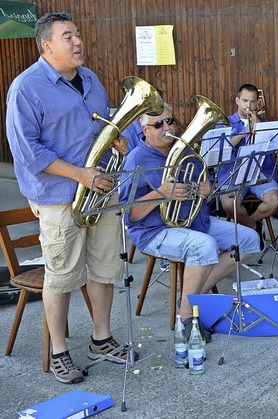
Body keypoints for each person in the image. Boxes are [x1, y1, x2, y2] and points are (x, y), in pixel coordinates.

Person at [6, 12, 131, 384]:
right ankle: (60, 351)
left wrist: (116, 140)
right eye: (67, 37)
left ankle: (101, 338)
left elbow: (99, 128)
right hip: (60, 197)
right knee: (60, 277)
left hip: (101, 191)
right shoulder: (25, 87)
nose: (77, 42)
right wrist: (81, 175)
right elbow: (28, 152)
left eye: (77, 34)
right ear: (47, 45)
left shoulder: (90, 78)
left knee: (106, 266)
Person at [119, 104, 261, 330]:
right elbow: (130, 214)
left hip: (194, 221)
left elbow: (202, 186)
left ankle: (193, 295)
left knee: (249, 239)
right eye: (159, 124)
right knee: (205, 245)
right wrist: (160, 194)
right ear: (145, 130)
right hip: (155, 230)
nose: (167, 127)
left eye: (169, 121)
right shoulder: (136, 159)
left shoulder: (186, 151)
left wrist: (206, 190)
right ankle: (186, 318)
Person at [217, 84, 278, 247]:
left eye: (252, 102)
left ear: (257, 104)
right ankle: (252, 227)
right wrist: (244, 131)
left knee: (273, 202)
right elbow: (221, 150)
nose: (248, 106)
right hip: (234, 172)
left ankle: (251, 223)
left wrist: (258, 125)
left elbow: (272, 149)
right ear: (237, 100)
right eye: (245, 101)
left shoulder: (264, 123)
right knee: (229, 204)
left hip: (261, 171)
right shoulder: (225, 122)